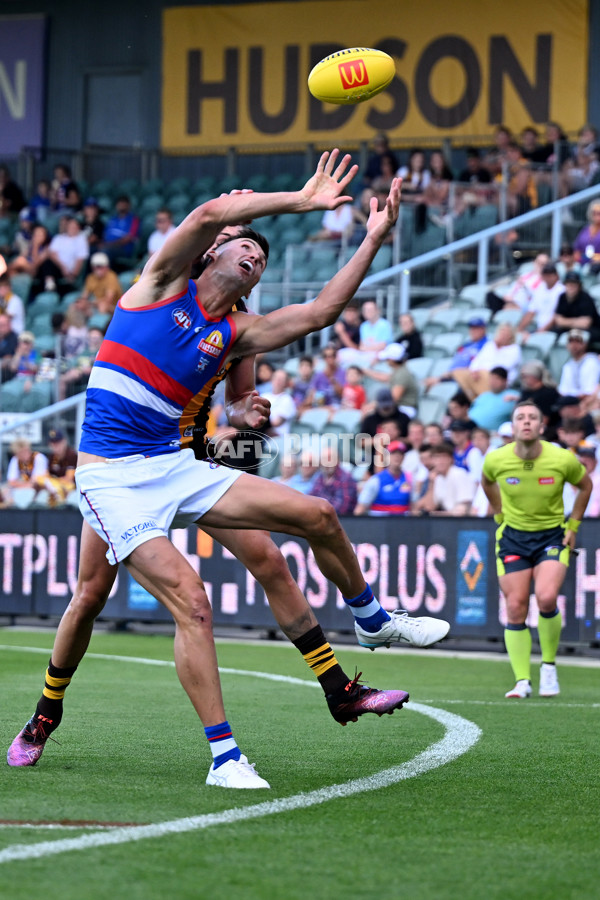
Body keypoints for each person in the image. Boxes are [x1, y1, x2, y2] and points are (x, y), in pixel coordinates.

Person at [7, 159, 448, 786]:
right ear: (213, 251)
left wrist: (373, 238)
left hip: (180, 461)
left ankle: (371, 621)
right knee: (115, 598)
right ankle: (157, 740)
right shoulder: (156, 283)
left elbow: (321, 313)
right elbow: (213, 213)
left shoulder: (235, 332)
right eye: (244, 246)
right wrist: (301, 200)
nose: (254, 257)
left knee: (316, 516)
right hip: (112, 476)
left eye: (261, 258)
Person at [481, 400, 592, 698]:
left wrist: (573, 528)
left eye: (532, 417)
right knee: (516, 606)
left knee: (545, 597)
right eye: (521, 417)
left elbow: (586, 486)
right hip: (513, 538)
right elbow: (487, 481)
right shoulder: (496, 459)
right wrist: (499, 512)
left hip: (552, 537)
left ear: (542, 426)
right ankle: (521, 681)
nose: (526, 422)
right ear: (513, 426)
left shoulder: (562, 459)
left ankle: (549, 667)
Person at [452, 323, 522, 400]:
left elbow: (502, 369)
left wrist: (498, 348)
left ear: (510, 335)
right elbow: (477, 360)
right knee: (458, 372)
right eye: (501, 331)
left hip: (497, 378)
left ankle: (480, 399)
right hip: (479, 375)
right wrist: (474, 371)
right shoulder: (490, 345)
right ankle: (473, 399)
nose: (502, 334)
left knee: (491, 376)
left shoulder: (515, 349)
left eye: (505, 332)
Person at [423, 317, 488, 391]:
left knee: (435, 386)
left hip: (465, 379)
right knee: (424, 384)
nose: (473, 331)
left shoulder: (487, 346)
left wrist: (447, 376)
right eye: (471, 328)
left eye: (476, 328)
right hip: (451, 377)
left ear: (483, 329)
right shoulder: (466, 345)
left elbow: (478, 367)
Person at [417, 441, 476, 516]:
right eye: (437, 458)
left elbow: (464, 508)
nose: (440, 462)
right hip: (448, 519)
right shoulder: (438, 478)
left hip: (466, 521)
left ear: (451, 459)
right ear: (432, 461)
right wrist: (432, 483)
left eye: (444, 458)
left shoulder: (459, 474)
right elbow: (429, 507)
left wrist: (438, 514)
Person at [354, 441, 411, 516]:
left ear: (404, 457)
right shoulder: (376, 480)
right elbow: (360, 508)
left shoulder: (409, 478)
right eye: (393, 453)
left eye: (400, 454)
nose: (397, 457)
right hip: (380, 524)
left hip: (404, 524)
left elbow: (414, 506)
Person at [550, 271, 600, 348]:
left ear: (579, 286)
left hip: (591, 330)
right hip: (570, 329)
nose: (571, 286)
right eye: (568, 283)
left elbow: (585, 324)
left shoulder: (585, 298)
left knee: (582, 336)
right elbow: (558, 320)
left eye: (574, 284)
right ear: (565, 285)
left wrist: (565, 321)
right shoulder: (562, 297)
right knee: (553, 333)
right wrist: (576, 322)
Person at [517, 263, 564, 340]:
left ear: (556, 276)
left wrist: (541, 331)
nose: (548, 278)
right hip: (539, 328)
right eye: (545, 275)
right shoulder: (540, 289)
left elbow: (557, 316)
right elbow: (530, 312)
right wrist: (519, 330)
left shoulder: (561, 291)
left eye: (550, 275)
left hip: (555, 329)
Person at [309, 442, 357, 515]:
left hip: (342, 522)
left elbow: (341, 508)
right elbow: (311, 499)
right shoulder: (319, 477)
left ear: (338, 460)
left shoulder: (345, 479)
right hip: (320, 518)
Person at [557, 329, 600, 406]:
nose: (574, 345)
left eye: (578, 341)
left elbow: (589, 392)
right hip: (571, 403)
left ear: (585, 344)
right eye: (571, 342)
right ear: (567, 345)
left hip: (589, 401)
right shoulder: (567, 365)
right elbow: (562, 391)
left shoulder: (593, 361)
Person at [468, 365, 517, 432]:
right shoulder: (484, 396)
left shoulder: (513, 395)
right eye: (491, 378)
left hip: (495, 435)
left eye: (496, 378)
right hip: (471, 430)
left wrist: (518, 399)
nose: (493, 381)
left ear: (505, 381)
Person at [100, 195, 140, 268]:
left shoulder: (134, 220)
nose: (121, 206)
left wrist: (109, 245)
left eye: (124, 204)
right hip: (108, 246)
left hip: (124, 249)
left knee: (106, 252)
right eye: (120, 204)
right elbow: (105, 235)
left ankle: (108, 277)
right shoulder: (112, 219)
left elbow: (128, 238)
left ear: (128, 206)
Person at [81, 252, 123, 316]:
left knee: (103, 306)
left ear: (107, 267)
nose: (98, 269)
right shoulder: (91, 277)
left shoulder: (111, 277)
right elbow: (84, 295)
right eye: (96, 267)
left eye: (101, 267)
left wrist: (92, 302)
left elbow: (108, 299)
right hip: (95, 303)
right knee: (79, 305)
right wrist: (83, 302)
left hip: (113, 306)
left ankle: (100, 325)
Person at [573, 200, 600, 274]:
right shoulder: (585, 230)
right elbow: (577, 249)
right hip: (582, 262)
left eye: (599, 213)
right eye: (594, 213)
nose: (596, 216)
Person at [0, 312, 18, 382]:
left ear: (9, 325)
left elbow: (8, 356)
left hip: (7, 371)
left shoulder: (13, 338)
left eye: (2, 326)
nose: (0, 328)